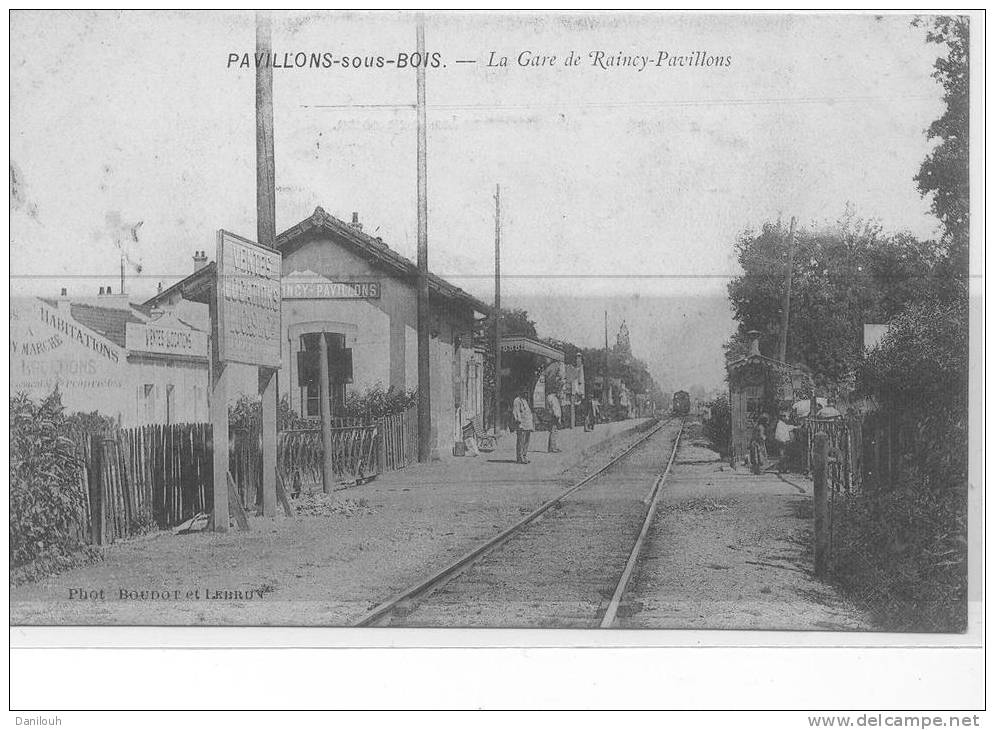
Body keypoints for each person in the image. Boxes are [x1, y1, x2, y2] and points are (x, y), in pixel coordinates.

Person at [511, 388, 534, 464]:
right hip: (521, 424)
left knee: (526, 441)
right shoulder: (517, 400)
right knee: (521, 441)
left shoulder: (525, 400)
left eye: (526, 392)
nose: (526, 394)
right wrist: (518, 421)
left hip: (527, 424)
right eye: (524, 392)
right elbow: (515, 412)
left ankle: (524, 456)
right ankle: (520, 458)